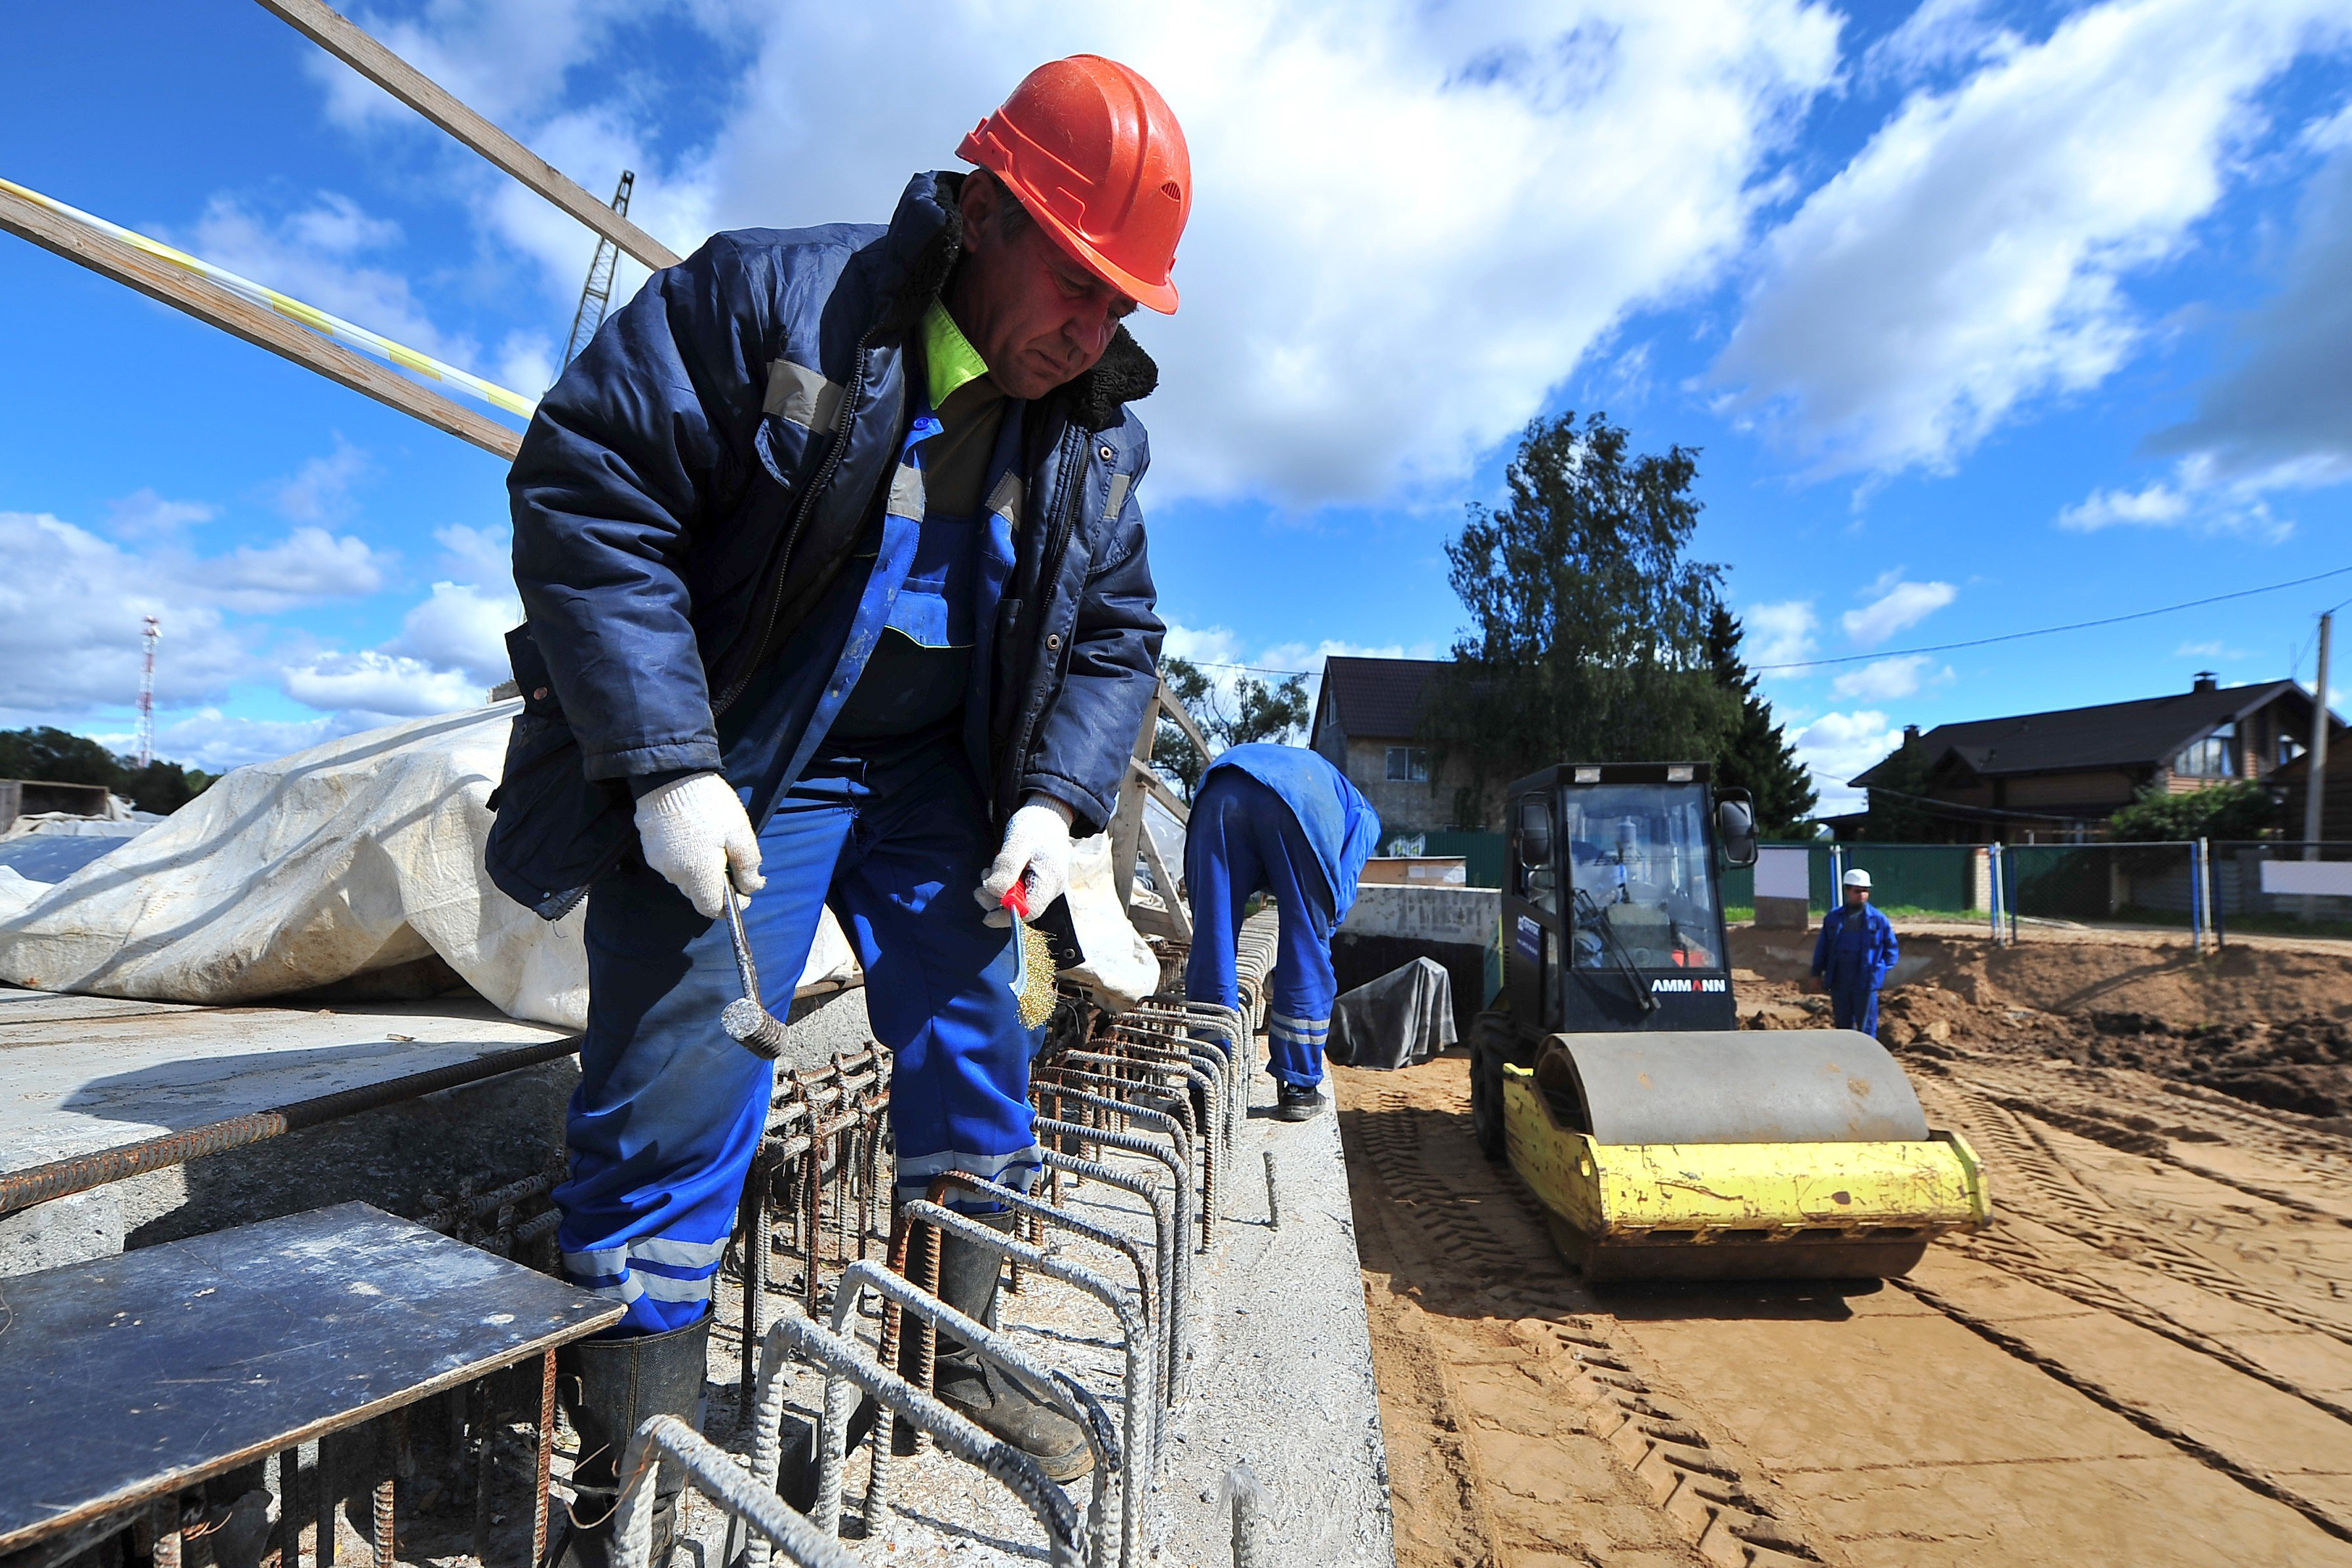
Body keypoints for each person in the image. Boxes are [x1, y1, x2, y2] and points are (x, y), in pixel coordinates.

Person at [486, 56, 1190, 1561]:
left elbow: (1119, 638)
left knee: (974, 1026)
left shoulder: (1093, 441)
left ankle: (942, 1362)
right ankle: (628, 1457)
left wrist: (1061, 803)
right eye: (1075, 281)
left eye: (1122, 304)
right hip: (758, 744)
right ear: (985, 215)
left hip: (939, 775)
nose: (1093, 328)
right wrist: (666, 757)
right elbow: (586, 481)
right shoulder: (772, 309)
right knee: (684, 1060)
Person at [1183, 745, 1381, 1120]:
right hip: (1297, 805)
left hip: (1219, 793)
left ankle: (1204, 1088)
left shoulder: (1316, 775)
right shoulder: (1364, 816)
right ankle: (1299, 1087)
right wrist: (1306, 947)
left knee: (1213, 941)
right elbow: (1333, 903)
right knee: (1306, 946)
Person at [1813, 868, 1899, 1035]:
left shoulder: (1878, 919)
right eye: (1858, 891)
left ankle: (1867, 1058)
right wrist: (1816, 973)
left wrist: (1879, 969)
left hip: (1865, 980)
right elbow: (1823, 948)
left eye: (1866, 891)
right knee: (1843, 1026)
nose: (1862, 895)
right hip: (1840, 979)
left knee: (1866, 1026)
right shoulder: (1833, 918)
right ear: (1847, 890)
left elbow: (1891, 949)